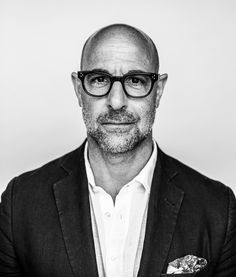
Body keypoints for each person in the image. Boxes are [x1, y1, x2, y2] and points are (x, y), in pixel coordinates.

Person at [0, 24, 235, 277]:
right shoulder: (20, 204)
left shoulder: (218, 209)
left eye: (135, 81)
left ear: (158, 91)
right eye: (100, 79)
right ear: (79, 90)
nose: (116, 102)